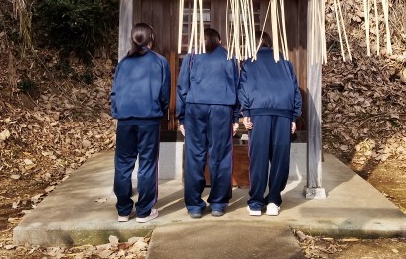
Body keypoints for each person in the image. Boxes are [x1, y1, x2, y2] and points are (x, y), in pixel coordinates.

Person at [110, 22, 171, 223]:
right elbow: (164, 93)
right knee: (147, 164)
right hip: (149, 119)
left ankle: (123, 210)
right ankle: (144, 211)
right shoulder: (160, 62)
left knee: (123, 164)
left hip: (126, 119)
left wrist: (117, 112)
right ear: (151, 39)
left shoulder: (123, 63)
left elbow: (115, 92)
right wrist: (160, 112)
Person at [176, 27, 239, 217]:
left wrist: (182, 117)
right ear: (219, 40)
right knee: (220, 155)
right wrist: (235, 117)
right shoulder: (229, 56)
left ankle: (194, 206)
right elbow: (236, 86)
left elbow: (182, 87)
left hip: (195, 108)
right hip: (222, 109)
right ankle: (218, 204)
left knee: (195, 155)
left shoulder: (192, 56)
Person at [238, 32, 302, 216]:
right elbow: (294, 90)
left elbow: (243, 89)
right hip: (283, 113)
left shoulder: (249, 63)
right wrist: (293, 117)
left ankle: (256, 203)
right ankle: (274, 200)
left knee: (258, 158)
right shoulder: (284, 61)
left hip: (259, 113)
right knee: (280, 159)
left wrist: (247, 113)